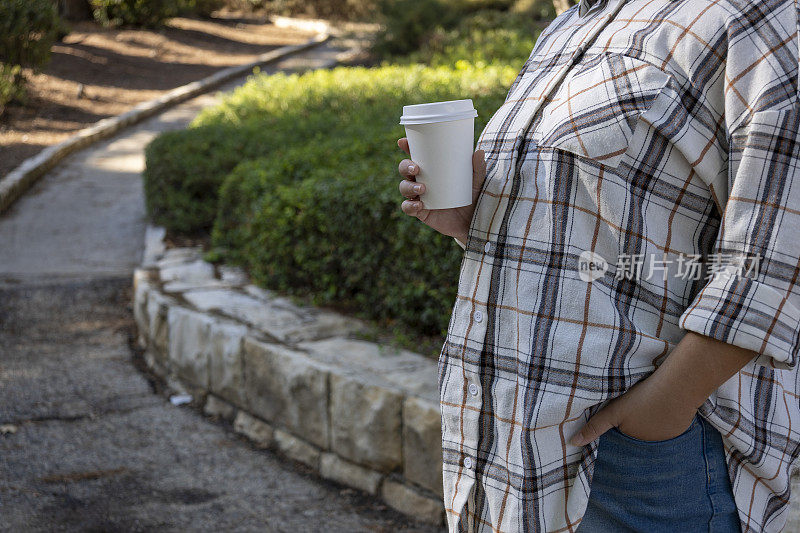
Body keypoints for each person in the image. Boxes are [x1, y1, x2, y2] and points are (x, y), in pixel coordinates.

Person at [396, 0, 800, 531]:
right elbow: (583, 228)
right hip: (510, 442)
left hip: (638, 459)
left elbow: (777, 256)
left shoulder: (752, 17)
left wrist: (661, 412)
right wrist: (470, 220)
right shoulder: (571, 25)